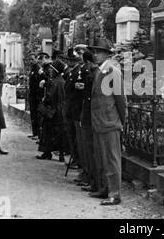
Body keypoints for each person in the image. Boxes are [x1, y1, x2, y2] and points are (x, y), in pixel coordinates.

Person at [88, 40, 127, 206]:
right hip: (100, 122)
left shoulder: (112, 70)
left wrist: (122, 121)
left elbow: (121, 100)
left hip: (110, 122)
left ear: (106, 54)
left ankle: (115, 193)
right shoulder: (100, 70)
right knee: (102, 159)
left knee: (112, 159)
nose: (95, 54)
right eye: (94, 52)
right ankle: (105, 188)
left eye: (98, 51)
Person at [78, 49, 100, 192]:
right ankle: (92, 180)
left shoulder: (93, 72)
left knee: (91, 151)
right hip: (87, 114)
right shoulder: (91, 71)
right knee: (89, 150)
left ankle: (94, 181)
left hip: (91, 116)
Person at [36, 60, 67, 162]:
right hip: (60, 111)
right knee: (59, 133)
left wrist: (44, 101)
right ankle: (61, 154)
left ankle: (47, 152)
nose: (50, 71)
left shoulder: (55, 82)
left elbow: (50, 96)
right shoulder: (62, 81)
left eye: (51, 69)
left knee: (48, 132)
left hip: (52, 111)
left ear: (55, 71)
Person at [63, 48, 84, 170]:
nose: (68, 62)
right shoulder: (72, 72)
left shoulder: (77, 73)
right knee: (71, 135)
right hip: (70, 108)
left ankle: (77, 159)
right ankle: (75, 157)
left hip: (74, 109)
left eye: (70, 60)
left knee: (75, 136)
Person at [27, 52, 45, 140]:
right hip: (32, 95)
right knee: (33, 115)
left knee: (38, 115)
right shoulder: (32, 69)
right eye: (29, 59)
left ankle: (38, 135)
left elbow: (41, 83)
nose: (31, 61)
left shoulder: (38, 68)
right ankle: (35, 133)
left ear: (36, 59)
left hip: (37, 95)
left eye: (32, 59)